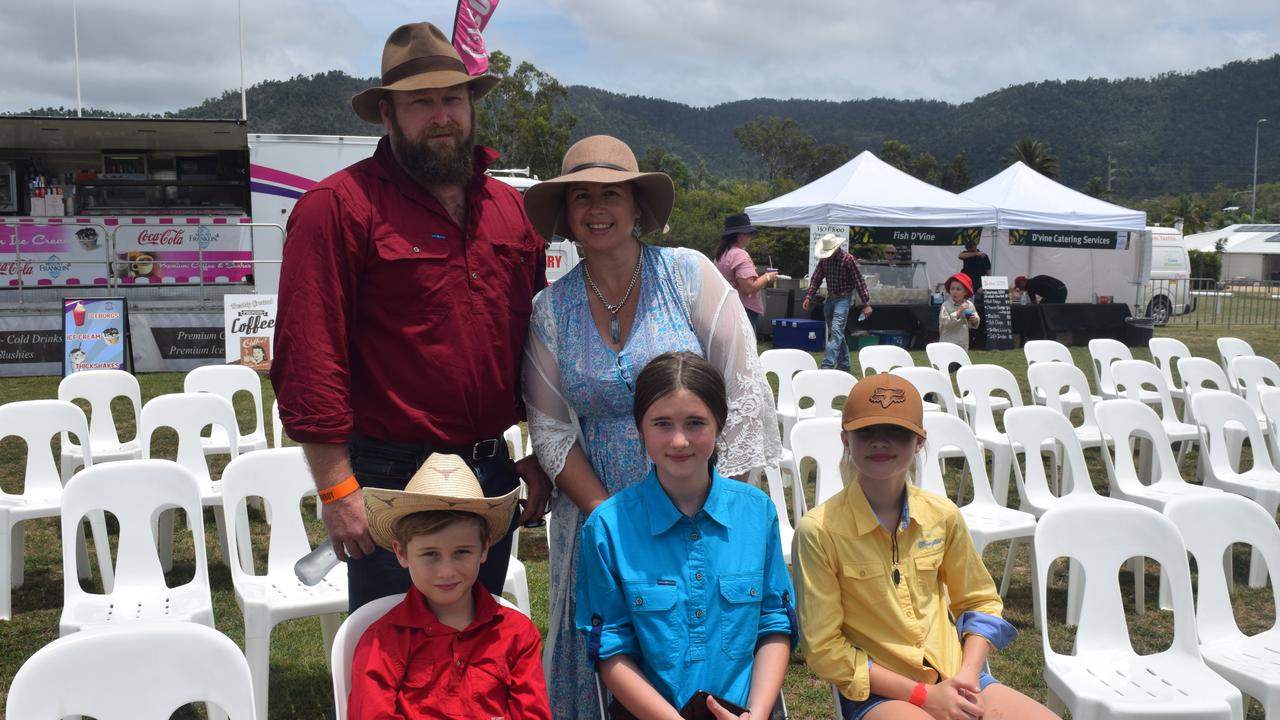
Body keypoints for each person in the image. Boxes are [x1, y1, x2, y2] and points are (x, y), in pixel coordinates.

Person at [270, 21, 553, 612]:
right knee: (394, 655)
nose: (441, 115)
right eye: (420, 102)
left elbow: (533, 345)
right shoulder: (338, 208)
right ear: (387, 115)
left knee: (475, 648)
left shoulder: (510, 211)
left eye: (453, 98)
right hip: (389, 477)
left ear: (472, 105)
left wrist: (533, 451)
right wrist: (336, 487)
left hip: (489, 470)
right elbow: (309, 357)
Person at [521, 135, 782, 719]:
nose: (596, 208)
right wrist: (616, 523)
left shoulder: (689, 276)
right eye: (580, 195)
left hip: (701, 508)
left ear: (638, 205)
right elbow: (553, 431)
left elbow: (740, 396)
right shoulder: (550, 309)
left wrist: (724, 511)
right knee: (613, 656)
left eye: (611, 193)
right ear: (565, 213)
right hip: (597, 515)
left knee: (709, 647)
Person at [794, 374, 1059, 720]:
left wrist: (967, 675)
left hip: (957, 674)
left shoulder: (942, 515)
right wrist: (924, 695)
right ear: (846, 439)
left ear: (920, 441)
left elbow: (980, 600)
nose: (881, 442)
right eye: (866, 432)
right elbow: (824, 648)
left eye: (898, 432)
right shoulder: (819, 531)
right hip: (879, 691)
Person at [576, 352, 794, 720]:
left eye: (696, 423)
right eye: (662, 423)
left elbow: (774, 623)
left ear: (719, 425)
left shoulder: (757, 514)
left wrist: (755, 715)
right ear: (639, 427)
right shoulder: (607, 528)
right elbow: (610, 649)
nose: (679, 441)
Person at [350, 453, 551, 720]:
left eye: (461, 552)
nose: (446, 571)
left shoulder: (517, 634)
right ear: (402, 553)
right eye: (430, 554)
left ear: (484, 548)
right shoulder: (381, 643)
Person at [802, 233, 873, 371]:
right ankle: (844, 366)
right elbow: (816, 278)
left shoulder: (848, 259)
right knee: (837, 334)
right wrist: (809, 296)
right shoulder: (825, 260)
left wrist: (866, 304)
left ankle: (827, 365)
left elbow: (859, 282)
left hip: (843, 299)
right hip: (831, 298)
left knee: (835, 332)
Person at [713, 212, 777, 333]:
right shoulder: (740, 254)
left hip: (726, 308)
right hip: (743, 310)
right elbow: (748, 288)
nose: (750, 236)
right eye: (750, 233)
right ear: (741, 235)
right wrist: (767, 277)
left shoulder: (721, 254)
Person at [937, 272, 980, 350]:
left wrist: (974, 320)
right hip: (947, 344)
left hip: (962, 344)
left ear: (965, 292)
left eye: (958, 289)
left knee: (961, 362)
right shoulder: (946, 305)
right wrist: (959, 311)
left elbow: (974, 324)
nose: (954, 292)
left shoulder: (969, 305)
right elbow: (946, 323)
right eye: (952, 289)